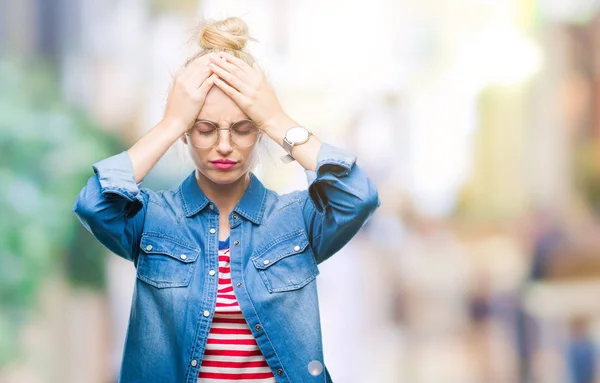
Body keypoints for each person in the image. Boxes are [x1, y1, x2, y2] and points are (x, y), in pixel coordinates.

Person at [73, 16, 379, 383]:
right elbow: (94, 203)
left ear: (260, 132)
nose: (223, 145)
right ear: (187, 132)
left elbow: (357, 196)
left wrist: (278, 119)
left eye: (242, 128)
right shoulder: (152, 219)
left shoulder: (295, 220)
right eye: (204, 129)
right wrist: (170, 124)